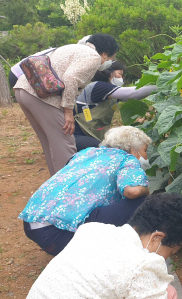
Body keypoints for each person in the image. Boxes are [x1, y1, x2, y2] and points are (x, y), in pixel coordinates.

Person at [15, 193, 182, 299]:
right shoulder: (143, 264)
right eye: (173, 251)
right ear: (157, 238)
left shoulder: (92, 230)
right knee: (167, 295)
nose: (167, 258)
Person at [19, 126, 152, 256]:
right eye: (145, 150)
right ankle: (129, 251)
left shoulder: (87, 152)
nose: (146, 156)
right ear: (133, 149)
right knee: (142, 202)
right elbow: (132, 191)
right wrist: (146, 190)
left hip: (32, 223)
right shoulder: (126, 159)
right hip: (59, 235)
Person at [13, 33, 119, 176]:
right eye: (112, 58)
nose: (110, 63)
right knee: (65, 141)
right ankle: (68, 187)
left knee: (50, 142)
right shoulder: (93, 57)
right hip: (43, 97)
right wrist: (68, 111)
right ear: (105, 53)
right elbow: (70, 78)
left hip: (24, 90)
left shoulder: (74, 48)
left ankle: (55, 185)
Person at [74, 60, 157, 151]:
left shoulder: (112, 95)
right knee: (106, 151)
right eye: (119, 73)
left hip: (90, 135)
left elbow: (134, 96)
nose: (121, 78)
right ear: (108, 72)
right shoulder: (98, 86)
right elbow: (133, 94)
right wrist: (161, 85)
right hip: (76, 136)